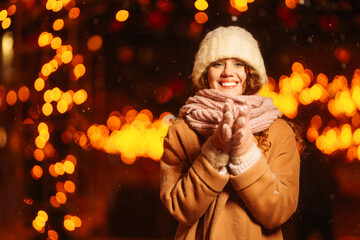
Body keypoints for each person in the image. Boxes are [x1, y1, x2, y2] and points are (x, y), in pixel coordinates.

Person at [160, 26, 301, 240]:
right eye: (217, 63)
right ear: (205, 73)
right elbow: (180, 208)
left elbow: (278, 211)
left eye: (238, 64)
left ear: (250, 73)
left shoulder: (279, 132)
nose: (228, 72)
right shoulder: (181, 132)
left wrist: (246, 155)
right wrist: (214, 152)